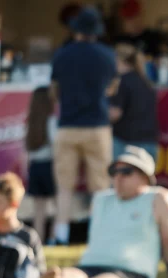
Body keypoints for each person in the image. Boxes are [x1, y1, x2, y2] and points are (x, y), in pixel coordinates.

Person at [40, 146, 168, 278]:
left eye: (126, 172)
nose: (118, 177)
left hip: (129, 275)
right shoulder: (101, 199)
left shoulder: (160, 199)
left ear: (144, 176)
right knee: (68, 277)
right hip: (88, 265)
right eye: (114, 172)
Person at [50, 6, 117, 246]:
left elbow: (54, 91)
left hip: (67, 125)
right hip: (98, 126)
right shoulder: (107, 55)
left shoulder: (62, 54)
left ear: (76, 30)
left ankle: (61, 234)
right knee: (100, 186)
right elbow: (112, 88)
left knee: (64, 186)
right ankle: (98, 234)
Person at [110, 43, 159, 162]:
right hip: (150, 143)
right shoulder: (146, 82)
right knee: (145, 180)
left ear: (118, 60)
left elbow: (115, 113)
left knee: (120, 180)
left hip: (127, 144)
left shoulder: (122, 82)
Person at [25, 87, 58, 242]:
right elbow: (56, 145)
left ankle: (38, 239)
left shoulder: (30, 122)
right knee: (58, 205)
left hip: (34, 166)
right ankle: (54, 237)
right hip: (49, 165)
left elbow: (25, 150)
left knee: (38, 210)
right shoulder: (51, 121)